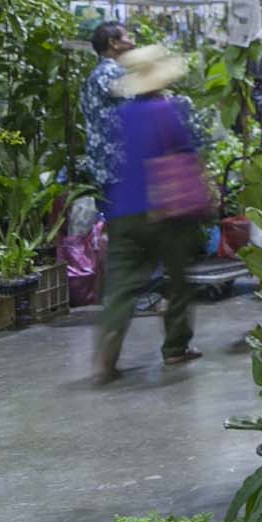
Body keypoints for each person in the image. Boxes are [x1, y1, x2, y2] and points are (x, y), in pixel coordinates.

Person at [95, 46, 209, 383]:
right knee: (178, 280)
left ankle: (110, 339)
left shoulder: (123, 113)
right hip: (165, 208)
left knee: (122, 284)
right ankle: (176, 347)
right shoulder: (167, 109)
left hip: (123, 208)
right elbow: (185, 152)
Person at [80, 21, 133, 188]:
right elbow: (136, 112)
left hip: (101, 162)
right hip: (119, 163)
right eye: (128, 37)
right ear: (113, 43)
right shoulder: (114, 73)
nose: (132, 42)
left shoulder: (96, 73)